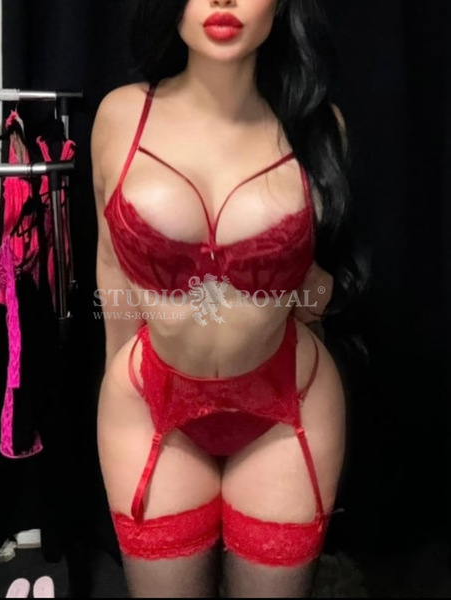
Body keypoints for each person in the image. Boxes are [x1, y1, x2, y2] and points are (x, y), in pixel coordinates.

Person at [91, 0, 361, 596]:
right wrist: (116, 377)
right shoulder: (120, 117)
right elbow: (111, 267)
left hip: (287, 407)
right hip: (148, 402)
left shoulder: (317, 128)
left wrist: (300, 286)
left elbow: (323, 283)